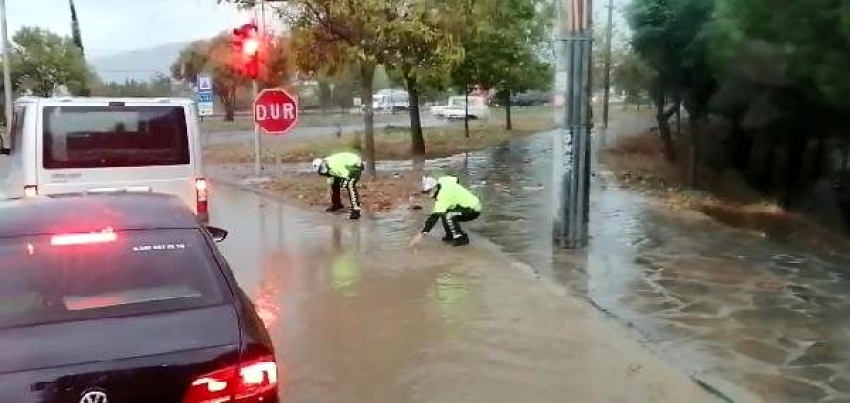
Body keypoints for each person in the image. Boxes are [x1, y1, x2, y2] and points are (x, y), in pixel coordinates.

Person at [409, 175, 481, 247]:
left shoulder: (443, 197)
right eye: (426, 192)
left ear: (435, 188)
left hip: (472, 209)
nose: (427, 194)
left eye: (428, 191)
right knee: (444, 212)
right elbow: (456, 179)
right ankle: (451, 234)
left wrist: (422, 234)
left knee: (448, 215)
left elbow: (433, 218)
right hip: (466, 204)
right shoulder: (443, 180)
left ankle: (461, 238)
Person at [312, 151, 364, 219]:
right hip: (345, 165)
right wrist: (330, 187)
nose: (321, 171)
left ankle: (356, 210)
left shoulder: (334, 166)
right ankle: (337, 205)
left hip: (355, 165)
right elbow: (330, 177)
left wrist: (343, 184)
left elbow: (346, 175)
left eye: (321, 169)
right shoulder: (326, 164)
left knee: (349, 185)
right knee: (334, 183)